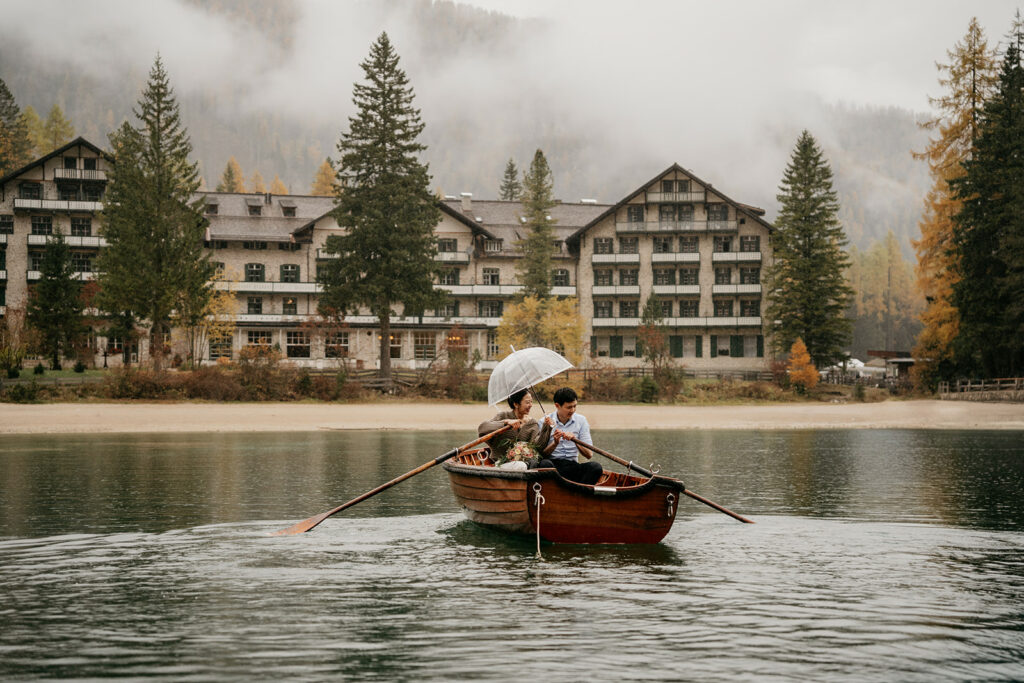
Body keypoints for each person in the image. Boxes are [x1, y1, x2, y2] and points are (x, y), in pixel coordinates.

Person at [538, 387, 604, 485]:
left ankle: (579, 494)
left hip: (573, 466)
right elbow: (541, 455)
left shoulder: (581, 421)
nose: (572, 410)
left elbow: (589, 454)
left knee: (595, 467)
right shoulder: (544, 422)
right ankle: (557, 492)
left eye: (575, 406)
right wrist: (555, 443)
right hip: (554, 467)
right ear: (557, 405)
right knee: (544, 464)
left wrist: (575, 440)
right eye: (569, 407)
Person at [477, 388, 553, 465]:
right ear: (516, 404)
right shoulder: (503, 416)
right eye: (527, 402)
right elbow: (482, 428)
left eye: (531, 402)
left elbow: (538, 447)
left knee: (544, 463)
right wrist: (505, 422)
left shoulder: (532, 423)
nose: (530, 405)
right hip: (500, 463)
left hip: (524, 463)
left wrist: (546, 427)